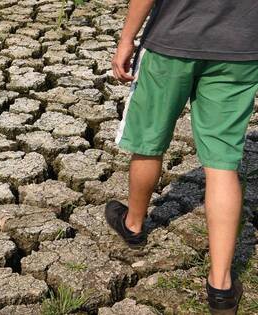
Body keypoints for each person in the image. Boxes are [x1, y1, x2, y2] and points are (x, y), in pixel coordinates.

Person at [105, 0, 258, 313]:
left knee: (149, 142)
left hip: (171, 42)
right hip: (240, 49)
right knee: (222, 163)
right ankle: (221, 286)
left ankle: (133, 224)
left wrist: (126, 39)